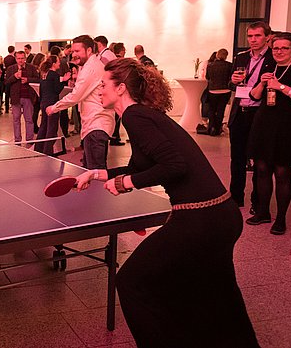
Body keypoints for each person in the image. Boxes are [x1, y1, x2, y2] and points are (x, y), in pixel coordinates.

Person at [74, 57, 258, 348]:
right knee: (221, 294)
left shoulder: (135, 116)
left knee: (132, 282)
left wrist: (126, 183)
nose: (99, 90)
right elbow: (140, 166)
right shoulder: (141, 115)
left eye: (104, 84)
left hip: (200, 219)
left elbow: (174, 166)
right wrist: (101, 174)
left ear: (121, 88)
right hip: (221, 216)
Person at [246, 32, 291, 235]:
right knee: (261, 170)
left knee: (282, 173)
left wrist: (280, 87)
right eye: (276, 48)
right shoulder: (268, 67)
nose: (279, 51)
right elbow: (254, 96)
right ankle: (263, 212)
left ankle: (280, 218)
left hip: (285, 126)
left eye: (284, 48)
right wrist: (263, 83)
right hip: (263, 123)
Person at [46, 35, 114, 170]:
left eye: (78, 51)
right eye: (73, 51)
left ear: (89, 50)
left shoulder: (90, 68)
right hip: (93, 125)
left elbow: (75, 96)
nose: (74, 55)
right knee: (91, 170)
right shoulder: (90, 65)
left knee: (95, 173)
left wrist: (54, 108)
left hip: (96, 126)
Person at [228, 21, 275, 211]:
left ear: (267, 37)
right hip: (240, 111)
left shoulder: (273, 58)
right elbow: (232, 85)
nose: (253, 40)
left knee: (259, 161)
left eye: (257, 36)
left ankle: (258, 202)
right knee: (236, 159)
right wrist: (232, 80)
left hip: (260, 113)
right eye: (250, 36)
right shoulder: (241, 57)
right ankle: (236, 197)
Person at [34, 56, 69, 155]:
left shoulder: (44, 74)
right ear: (53, 64)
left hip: (44, 102)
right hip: (52, 103)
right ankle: (48, 151)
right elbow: (57, 90)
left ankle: (38, 149)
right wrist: (65, 80)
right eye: (58, 62)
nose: (59, 64)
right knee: (52, 128)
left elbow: (42, 89)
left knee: (43, 127)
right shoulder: (55, 74)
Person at [5, 51, 40, 146]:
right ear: (16, 59)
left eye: (22, 58)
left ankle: (29, 139)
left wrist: (28, 80)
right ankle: (17, 140)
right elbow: (6, 82)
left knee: (29, 119)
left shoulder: (31, 68)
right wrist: (15, 76)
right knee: (16, 119)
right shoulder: (10, 69)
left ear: (25, 58)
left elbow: (38, 79)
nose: (20, 60)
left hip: (28, 97)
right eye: (18, 58)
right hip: (16, 97)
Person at [205, 49, 233, 136]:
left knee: (212, 109)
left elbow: (207, 77)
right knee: (221, 110)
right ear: (226, 56)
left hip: (213, 90)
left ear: (217, 55)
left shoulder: (210, 65)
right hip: (225, 90)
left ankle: (212, 127)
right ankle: (218, 129)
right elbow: (231, 78)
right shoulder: (229, 65)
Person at [3, 45, 16, 113]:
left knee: (7, 93)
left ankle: (6, 108)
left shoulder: (5, 58)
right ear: (13, 50)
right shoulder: (14, 59)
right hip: (13, 76)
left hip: (7, 76)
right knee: (12, 92)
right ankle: (12, 106)